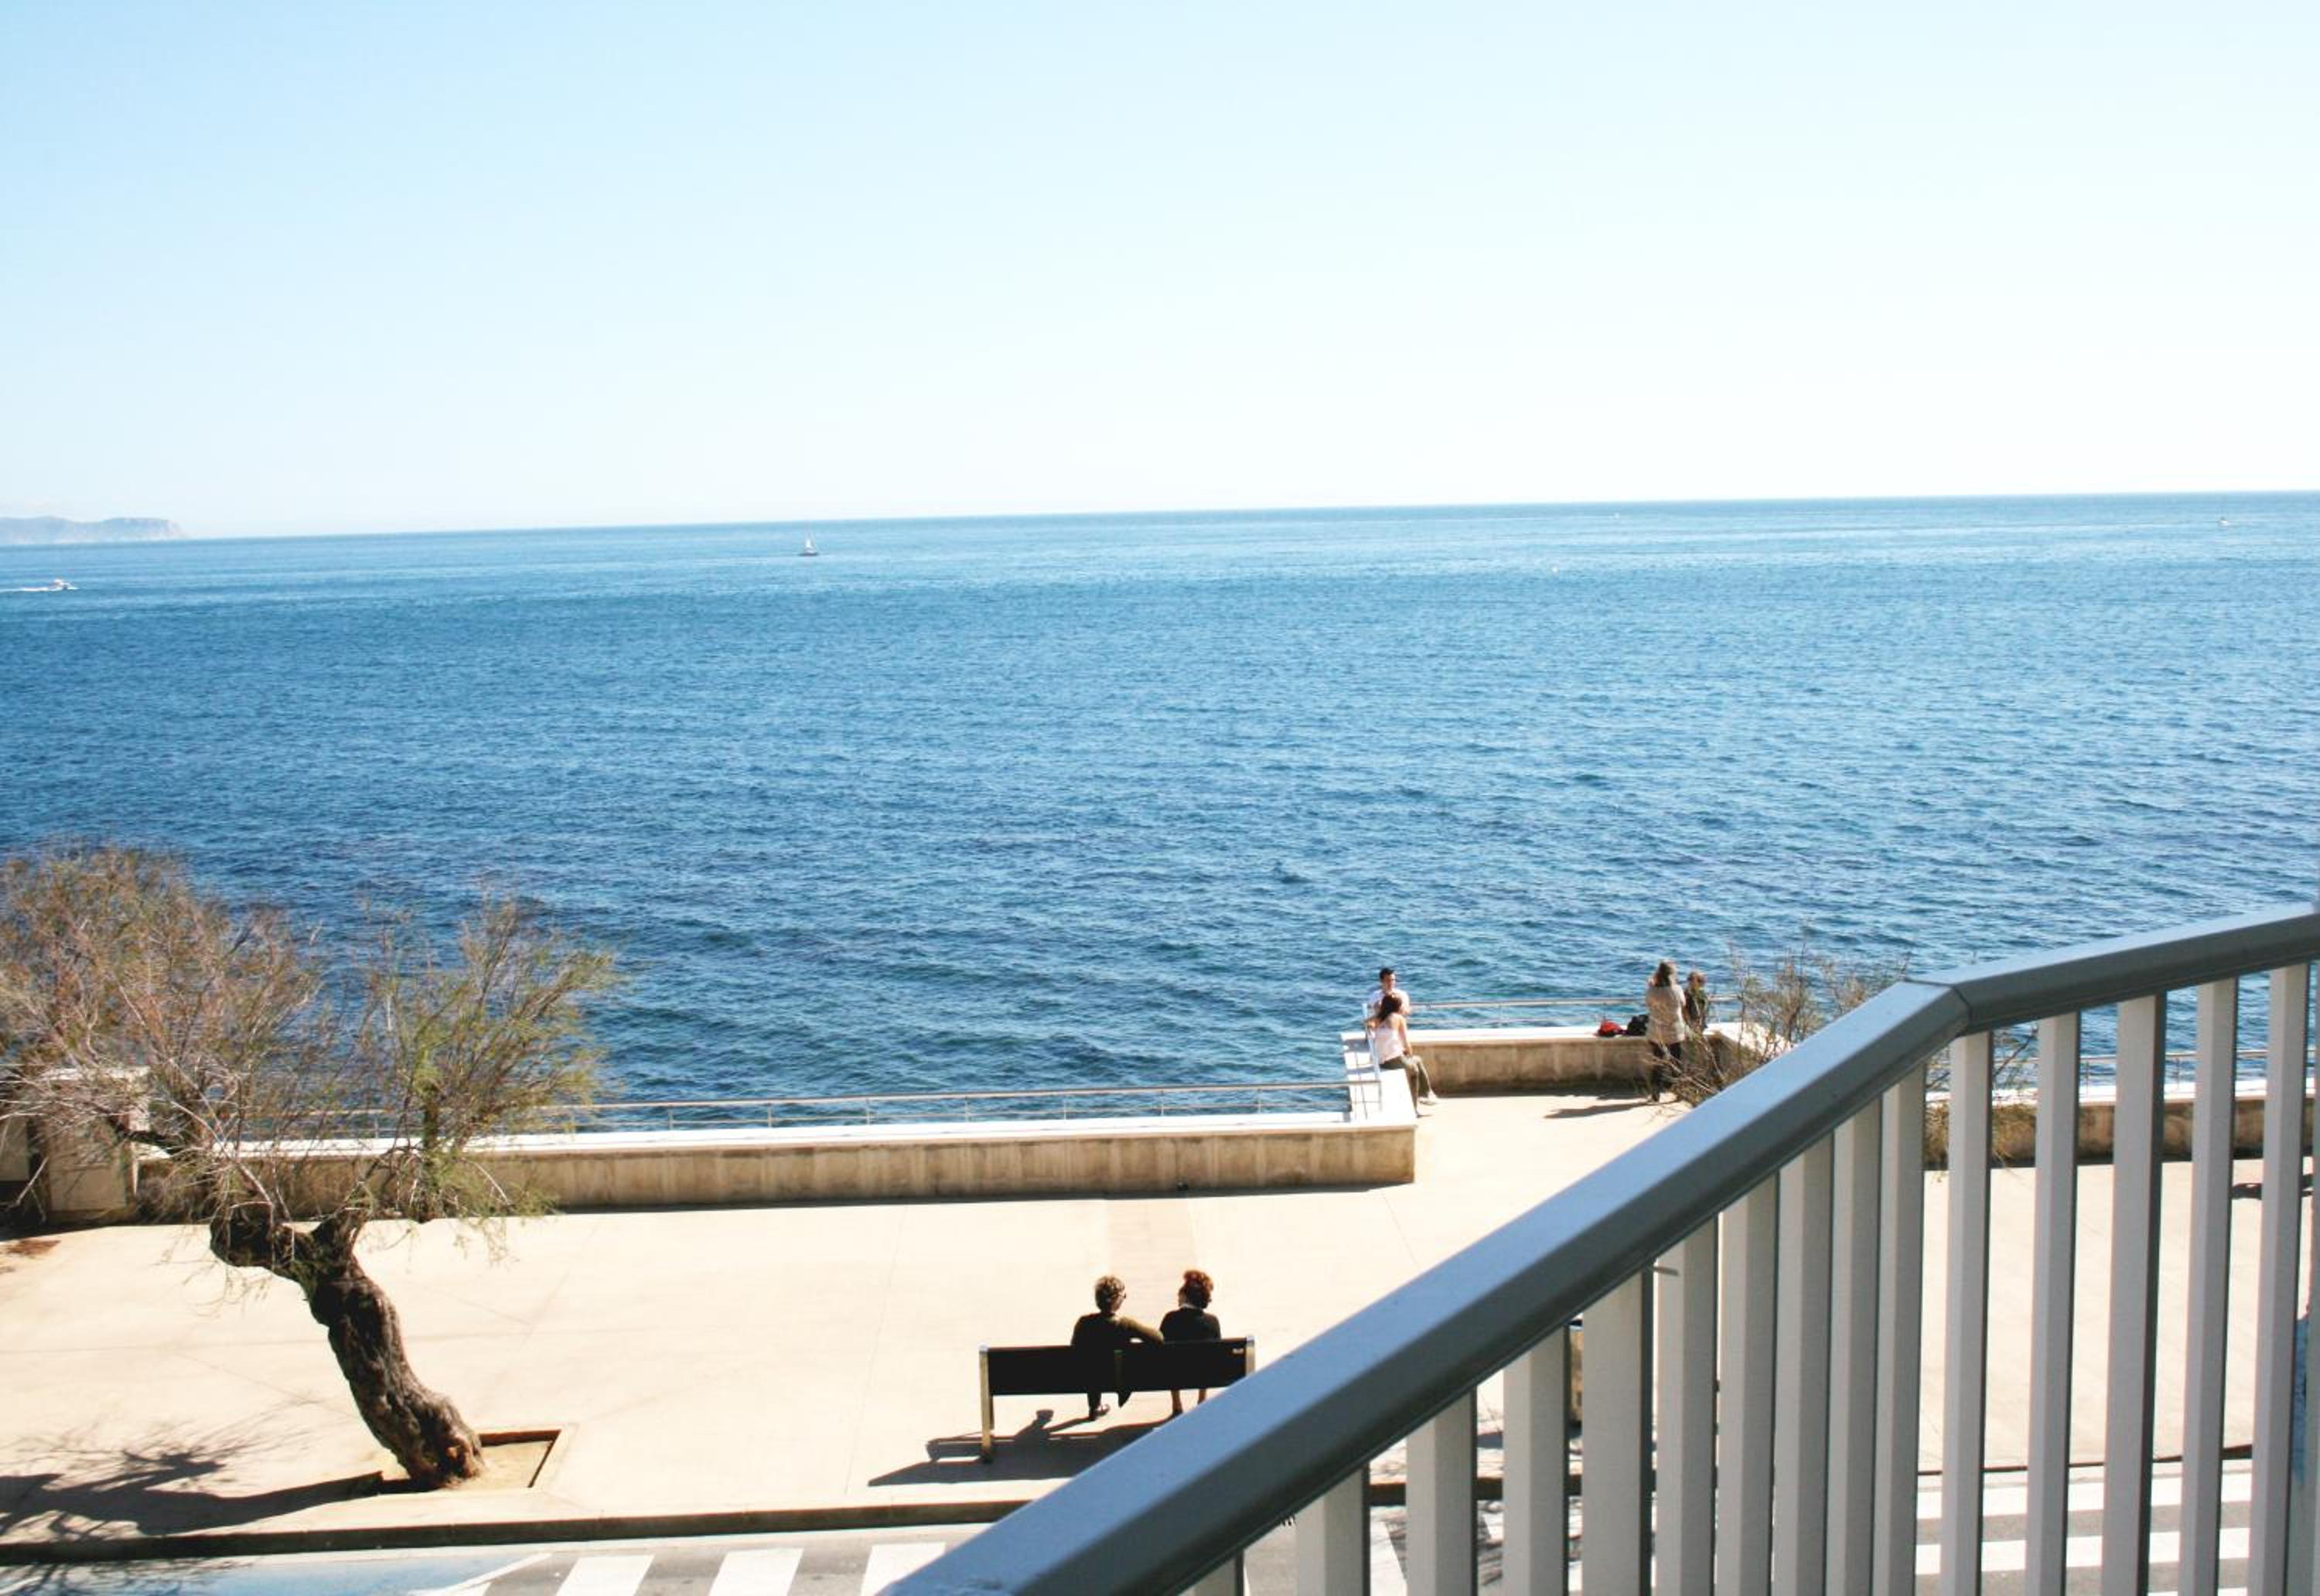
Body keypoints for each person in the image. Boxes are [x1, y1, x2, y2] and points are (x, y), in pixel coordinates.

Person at [1070, 1274, 1162, 1420]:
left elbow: (1075, 1348)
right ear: (1117, 1300)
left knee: (1093, 1361)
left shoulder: (1084, 1323)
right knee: (1102, 1362)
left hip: (1088, 1378)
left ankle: (1094, 1406)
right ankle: (1096, 1406)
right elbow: (1158, 1338)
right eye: (1123, 1296)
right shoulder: (1125, 1324)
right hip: (1119, 1379)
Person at [1161, 1268, 1222, 1416]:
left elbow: (1160, 1350)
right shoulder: (1212, 1321)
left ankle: (1177, 1404)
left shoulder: (1170, 1319)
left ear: (1185, 1296)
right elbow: (1217, 1355)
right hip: (1204, 1374)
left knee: (1170, 1360)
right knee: (1207, 1360)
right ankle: (1202, 1399)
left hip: (1176, 1374)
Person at [1369, 987, 1439, 1109]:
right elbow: (1406, 1042)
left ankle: (1426, 1094)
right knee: (1416, 1065)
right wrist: (1409, 1054)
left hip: (1380, 1060)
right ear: (1397, 1006)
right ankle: (1421, 1099)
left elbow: (1366, 1023)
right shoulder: (1399, 1018)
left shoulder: (1380, 1018)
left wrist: (1371, 1026)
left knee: (1416, 1062)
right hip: (1391, 1060)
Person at [1643, 960, 1684, 1102]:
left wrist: (1651, 987)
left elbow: (1648, 1004)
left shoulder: (1652, 991)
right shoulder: (1677, 989)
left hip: (1657, 1032)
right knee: (1676, 1062)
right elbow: (1683, 1003)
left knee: (1658, 1063)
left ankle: (1655, 1094)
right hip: (1675, 1031)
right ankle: (1680, 1091)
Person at [1683, 970, 1711, 1036]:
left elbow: (1703, 1009)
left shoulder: (1702, 993)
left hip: (1699, 1022)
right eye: (1700, 981)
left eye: (1701, 981)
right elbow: (1684, 1010)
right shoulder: (1687, 994)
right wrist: (1690, 1023)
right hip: (1691, 1023)